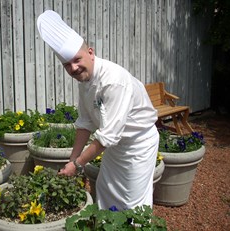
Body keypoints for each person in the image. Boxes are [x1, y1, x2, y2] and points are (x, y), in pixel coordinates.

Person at [37, 10, 159, 211]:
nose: (74, 68)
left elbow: (106, 137)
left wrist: (76, 166)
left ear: (91, 52)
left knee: (132, 201)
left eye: (77, 60)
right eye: (67, 65)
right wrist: (72, 160)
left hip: (138, 144)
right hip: (116, 145)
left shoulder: (113, 81)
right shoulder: (85, 80)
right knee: (105, 189)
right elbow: (85, 123)